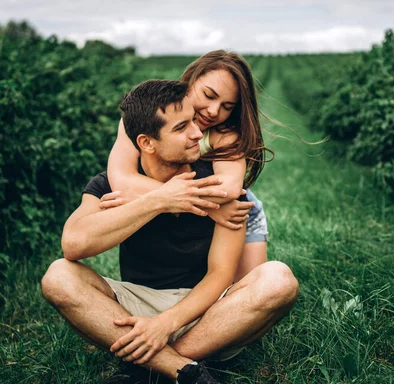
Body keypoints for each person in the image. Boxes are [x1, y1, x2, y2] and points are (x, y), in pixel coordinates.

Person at [41, 80, 299, 383]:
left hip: (209, 315)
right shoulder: (110, 185)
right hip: (140, 306)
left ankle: (147, 368)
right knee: (59, 276)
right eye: (181, 128)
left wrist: (165, 324)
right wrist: (159, 200)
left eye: (193, 121)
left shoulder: (218, 187)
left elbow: (219, 276)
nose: (196, 133)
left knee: (279, 279)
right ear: (147, 143)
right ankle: (184, 371)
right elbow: (73, 244)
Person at [105, 50, 269, 282]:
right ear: (190, 79)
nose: (214, 111)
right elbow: (121, 180)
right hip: (201, 209)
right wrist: (210, 208)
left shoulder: (224, 134)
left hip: (235, 211)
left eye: (227, 106)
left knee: (247, 295)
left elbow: (229, 190)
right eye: (208, 95)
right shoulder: (144, 118)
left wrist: (195, 202)